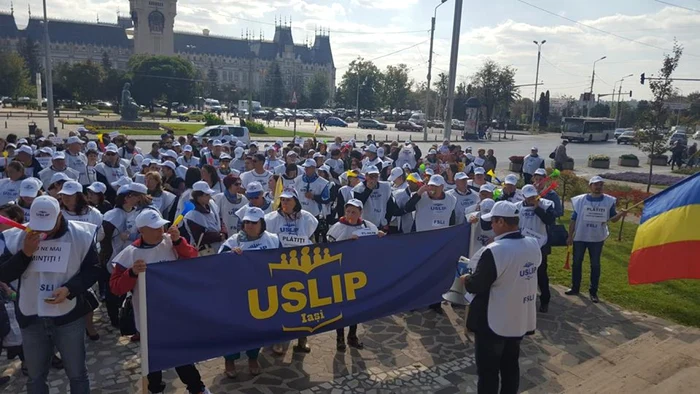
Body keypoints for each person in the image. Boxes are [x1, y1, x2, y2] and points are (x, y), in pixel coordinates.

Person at [0, 195, 102, 394]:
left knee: (78, 374)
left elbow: (94, 269)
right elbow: (3, 274)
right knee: (36, 377)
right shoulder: (16, 236)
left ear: (59, 216)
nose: (43, 230)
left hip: (68, 317)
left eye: (49, 224)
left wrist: (70, 289)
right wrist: (25, 253)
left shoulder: (81, 234)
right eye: (39, 224)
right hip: (32, 317)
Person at [109, 210, 212, 394]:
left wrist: (179, 241)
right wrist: (131, 273)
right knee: (152, 361)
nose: (161, 230)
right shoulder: (130, 253)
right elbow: (116, 287)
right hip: (149, 318)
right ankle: (155, 390)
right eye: (155, 227)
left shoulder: (170, 242)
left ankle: (197, 388)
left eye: (161, 225)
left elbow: (192, 258)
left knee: (181, 355)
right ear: (142, 230)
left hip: (175, 313)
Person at [460, 201, 542, 394]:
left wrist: (466, 279)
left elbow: (477, 285)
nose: (491, 227)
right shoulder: (532, 244)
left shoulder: (495, 250)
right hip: (519, 318)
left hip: (494, 320)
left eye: (493, 222)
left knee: (488, 373)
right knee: (510, 367)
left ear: (502, 222)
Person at [219, 207, 281, 377]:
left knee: (256, 326)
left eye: (254, 222)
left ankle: (253, 357)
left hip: (261, 292)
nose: (249, 225)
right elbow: (218, 264)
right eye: (246, 222)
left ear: (262, 223)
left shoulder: (274, 240)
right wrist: (230, 256)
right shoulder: (233, 242)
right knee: (233, 328)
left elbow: (282, 263)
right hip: (236, 294)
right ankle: (230, 359)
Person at [264, 188, 317, 354]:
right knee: (280, 304)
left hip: (302, 267)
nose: (285, 203)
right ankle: (279, 339)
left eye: (289, 200)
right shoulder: (270, 218)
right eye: (283, 200)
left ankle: (302, 338)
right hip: (279, 268)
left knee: (303, 305)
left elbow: (311, 239)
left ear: (296, 201)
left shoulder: (307, 218)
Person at [327, 199, 384, 351]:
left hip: (359, 273)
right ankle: (340, 338)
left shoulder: (368, 226)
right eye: (348, 211)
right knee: (342, 306)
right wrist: (347, 241)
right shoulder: (336, 227)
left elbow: (376, 244)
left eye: (354, 212)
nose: (350, 215)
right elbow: (328, 250)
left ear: (360, 213)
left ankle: (352, 336)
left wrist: (379, 235)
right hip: (340, 272)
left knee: (357, 306)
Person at [100, 182, 153, 328]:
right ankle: (114, 319)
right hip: (113, 258)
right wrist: (105, 259)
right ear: (126, 198)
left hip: (130, 258)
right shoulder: (111, 216)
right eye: (133, 196)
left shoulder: (137, 213)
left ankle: (126, 315)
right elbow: (104, 241)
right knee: (113, 290)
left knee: (126, 289)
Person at [566, 176, 627, 303]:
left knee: (595, 264)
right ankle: (575, 288)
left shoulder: (608, 201)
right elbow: (573, 219)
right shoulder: (580, 200)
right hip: (580, 237)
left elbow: (613, 219)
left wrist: (621, 214)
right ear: (590, 186)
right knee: (576, 263)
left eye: (600, 185)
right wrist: (570, 235)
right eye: (596, 185)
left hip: (597, 238)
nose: (598, 187)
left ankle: (593, 292)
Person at [516, 185, 556, 313]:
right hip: (523, 244)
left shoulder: (546, 204)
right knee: (523, 272)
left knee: (541, 273)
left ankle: (545, 300)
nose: (531, 199)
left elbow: (550, 220)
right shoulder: (517, 207)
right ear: (523, 196)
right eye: (528, 197)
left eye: (533, 196)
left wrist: (537, 208)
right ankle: (523, 297)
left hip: (540, 244)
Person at [183, 181, 225, 255]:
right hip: (204, 254)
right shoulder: (191, 215)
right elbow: (200, 238)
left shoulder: (212, 204)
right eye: (207, 194)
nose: (210, 196)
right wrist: (219, 236)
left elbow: (220, 221)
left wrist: (224, 233)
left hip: (219, 249)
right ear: (198, 196)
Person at [352, 165, 395, 230]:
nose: (374, 178)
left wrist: (387, 222)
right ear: (366, 176)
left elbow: (390, 206)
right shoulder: (358, 188)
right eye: (371, 176)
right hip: (365, 225)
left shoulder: (385, 187)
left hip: (381, 224)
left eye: (376, 176)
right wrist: (368, 189)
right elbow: (358, 206)